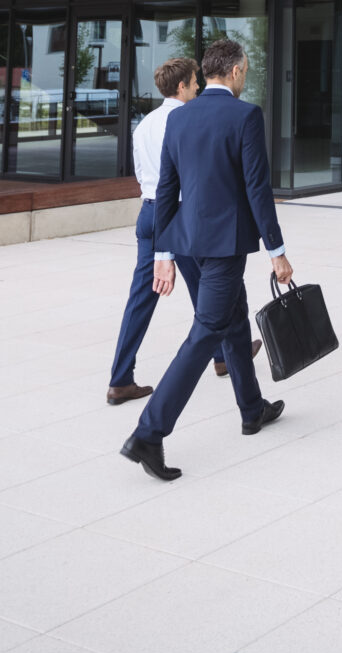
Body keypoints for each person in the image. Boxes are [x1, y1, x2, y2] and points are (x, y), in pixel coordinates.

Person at [120, 38, 291, 482]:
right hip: (224, 244)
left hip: (188, 240)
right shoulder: (246, 115)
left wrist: (163, 252)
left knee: (234, 319)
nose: (246, 77)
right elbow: (257, 190)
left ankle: (251, 408)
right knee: (206, 332)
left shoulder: (178, 118)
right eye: (246, 70)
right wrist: (278, 252)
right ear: (233, 72)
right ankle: (148, 433)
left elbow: (165, 192)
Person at [107, 57, 201, 405]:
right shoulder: (184, 120)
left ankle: (119, 380)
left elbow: (140, 172)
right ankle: (225, 357)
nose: (198, 87)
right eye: (195, 82)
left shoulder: (143, 124)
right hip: (176, 213)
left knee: (141, 299)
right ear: (182, 86)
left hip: (148, 211)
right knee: (211, 289)